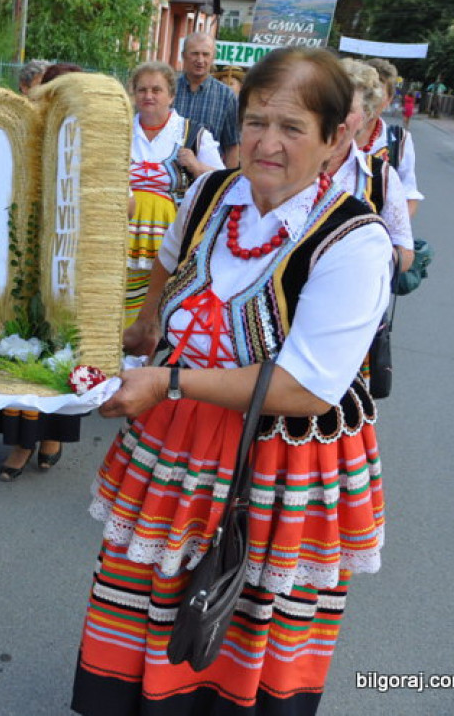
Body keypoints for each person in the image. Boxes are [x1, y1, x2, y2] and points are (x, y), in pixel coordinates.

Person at [72, 47, 391, 715]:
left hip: (281, 460)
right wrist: (146, 325)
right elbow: (169, 258)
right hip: (178, 441)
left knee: (244, 609)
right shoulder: (212, 190)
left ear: (338, 138)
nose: (266, 143)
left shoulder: (353, 240)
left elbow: (306, 386)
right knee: (148, 586)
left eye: (292, 127)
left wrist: (171, 381)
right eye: (255, 122)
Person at [0, 63, 86, 482]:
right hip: (19, 253)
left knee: (57, 348)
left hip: (67, 256)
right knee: (18, 345)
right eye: (48, 90)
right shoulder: (22, 129)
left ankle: (53, 436)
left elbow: (117, 203)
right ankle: (19, 441)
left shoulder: (87, 135)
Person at [125, 61, 224, 324]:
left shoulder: (192, 133)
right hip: (122, 232)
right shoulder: (121, 132)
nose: (148, 96)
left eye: (156, 90)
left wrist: (195, 165)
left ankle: (149, 349)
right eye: (142, 89)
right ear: (133, 94)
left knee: (162, 293)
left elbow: (223, 181)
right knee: (119, 293)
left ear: (171, 95)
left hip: (172, 233)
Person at [329, 58, 413, 271]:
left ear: (365, 116)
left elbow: (404, 254)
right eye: (330, 105)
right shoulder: (290, 162)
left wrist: (363, 255)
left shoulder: (381, 176)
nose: (336, 115)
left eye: (347, 108)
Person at [363, 58, 424, 217]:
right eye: (367, 92)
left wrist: (393, 236)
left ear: (389, 100)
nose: (371, 101)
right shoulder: (333, 131)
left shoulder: (399, 140)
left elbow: (409, 195)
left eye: (379, 94)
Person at [173, 31, 240, 167]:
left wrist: (227, 183)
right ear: (183, 56)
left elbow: (232, 146)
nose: (200, 60)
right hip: (169, 176)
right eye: (195, 53)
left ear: (213, 57)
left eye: (205, 54)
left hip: (207, 178)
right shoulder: (168, 90)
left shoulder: (226, 96)